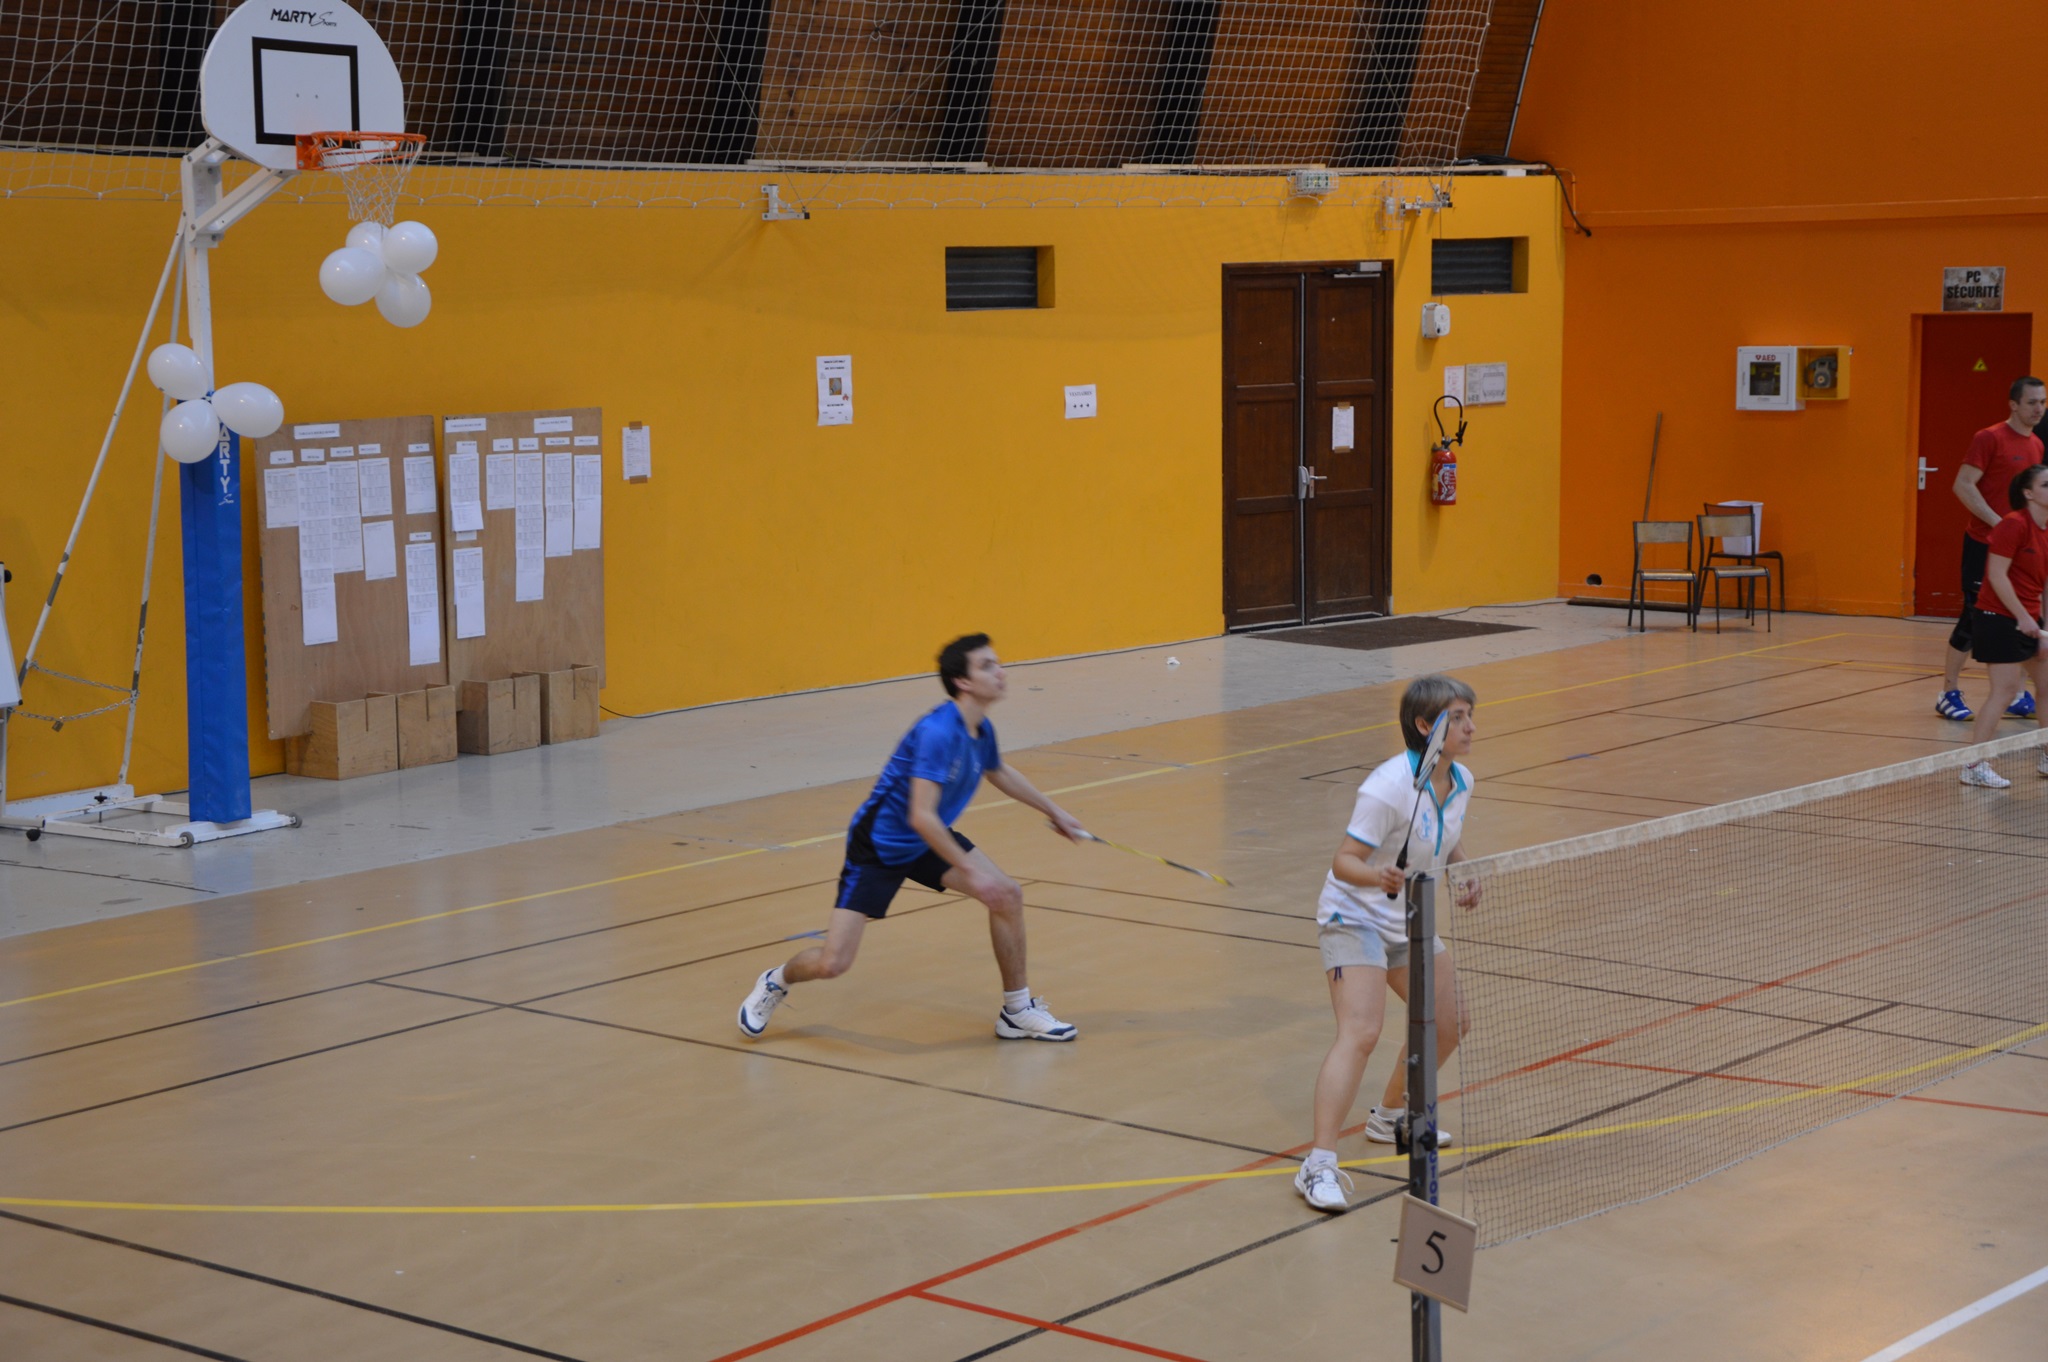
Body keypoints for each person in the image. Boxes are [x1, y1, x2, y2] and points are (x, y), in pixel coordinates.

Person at [737, 634, 1088, 1041]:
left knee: (1007, 895)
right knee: (833, 963)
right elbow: (920, 816)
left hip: (927, 838)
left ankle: (1017, 1011)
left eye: (998, 663)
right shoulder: (938, 732)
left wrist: (1055, 812)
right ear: (963, 682)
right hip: (880, 845)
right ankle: (777, 980)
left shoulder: (980, 728)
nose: (1000, 672)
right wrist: (972, 873)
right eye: (987, 666)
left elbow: (998, 771)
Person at [1295, 675, 1480, 1213]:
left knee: (1450, 1022)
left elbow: (1443, 834)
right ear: (1425, 726)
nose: (1470, 727)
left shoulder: (1461, 780)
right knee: (1362, 1031)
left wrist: (1463, 868)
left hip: (1409, 919)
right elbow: (1343, 861)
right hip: (1353, 916)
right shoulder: (1388, 786)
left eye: (1470, 715)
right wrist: (1376, 876)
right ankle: (1318, 1164)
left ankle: (1390, 1116)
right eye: (1457, 717)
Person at [1938, 377, 2046, 721]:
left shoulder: (2036, 445)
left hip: (2020, 550)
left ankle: (2015, 692)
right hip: (1984, 544)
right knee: (1974, 617)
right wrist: (2000, 524)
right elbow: (1963, 485)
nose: (2039, 409)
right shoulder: (1989, 438)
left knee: (2022, 613)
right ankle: (1948, 692)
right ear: (2014, 404)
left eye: (2043, 402)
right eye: (2032, 402)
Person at [1958, 464, 2048, 788]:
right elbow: (1996, 575)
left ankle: (2047, 754)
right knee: (2006, 690)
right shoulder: (2013, 525)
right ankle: (1973, 764)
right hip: (1997, 618)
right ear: (2028, 493)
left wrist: (2042, 626)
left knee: (2047, 685)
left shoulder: (2046, 530)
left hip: (2029, 619)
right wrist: (2022, 617)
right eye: (2046, 485)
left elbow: (2045, 585)